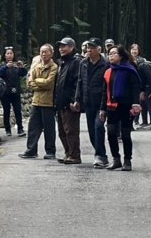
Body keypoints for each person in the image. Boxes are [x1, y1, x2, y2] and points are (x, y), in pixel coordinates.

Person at [100, 45, 141, 171]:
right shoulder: (108, 71)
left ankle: (127, 161)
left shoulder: (129, 70)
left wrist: (135, 103)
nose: (110, 56)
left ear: (121, 55)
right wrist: (102, 109)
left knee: (125, 135)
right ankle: (116, 159)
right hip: (111, 106)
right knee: (111, 133)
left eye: (114, 53)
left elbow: (135, 88)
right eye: (109, 54)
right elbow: (104, 91)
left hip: (126, 106)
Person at [19, 44, 58, 159]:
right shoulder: (36, 67)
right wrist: (40, 83)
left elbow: (49, 83)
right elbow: (30, 83)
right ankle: (31, 150)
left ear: (51, 53)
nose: (43, 54)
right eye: (41, 52)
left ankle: (50, 151)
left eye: (46, 52)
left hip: (48, 102)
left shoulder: (54, 67)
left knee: (49, 129)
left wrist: (37, 81)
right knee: (33, 127)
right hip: (36, 101)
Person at [76, 39, 110, 168]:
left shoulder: (105, 64)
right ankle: (102, 154)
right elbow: (80, 82)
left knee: (98, 127)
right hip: (87, 101)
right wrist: (77, 99)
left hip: (101, 102)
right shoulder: (83, 63)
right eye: (87, 48)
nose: (88, 50)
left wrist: (104, 106)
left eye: (92, 48)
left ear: (99, 49)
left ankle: (100, 155)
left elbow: (106, 86)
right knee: (91, 131)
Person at [55, 37, 83, 164]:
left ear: (71, 47)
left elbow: (78, 82)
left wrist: (75, 100)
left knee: (71, 130)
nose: (61, 49)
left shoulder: (76, 62)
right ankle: (68, 153)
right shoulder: (62, 63)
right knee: (62, 131)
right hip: (60, 103)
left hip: (70, 103)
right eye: (60, 46)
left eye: (64, 46)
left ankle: (75, 155)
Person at [0, 46, 27, 136]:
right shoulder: (2, 65)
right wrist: (6, 67)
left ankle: (20, 129)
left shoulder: (16, 65)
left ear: (14, 55)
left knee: (18, 110)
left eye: (11, 53)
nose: (9, 55)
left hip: (16, 91)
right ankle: (7, 129)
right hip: (5, 92)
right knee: (6, 111)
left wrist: (21, 67)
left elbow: (23, 73)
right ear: (4, 55)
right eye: (8, 53)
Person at [131, 43, 151, 130]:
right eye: (132, 49)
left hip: (148, 86)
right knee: (143, 103)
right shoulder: (133, 62)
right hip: (143, 87)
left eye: (136, 49)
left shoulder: (143, 64)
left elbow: (150, 78)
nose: (134, 51)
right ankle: (144, 122)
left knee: (149, 104)